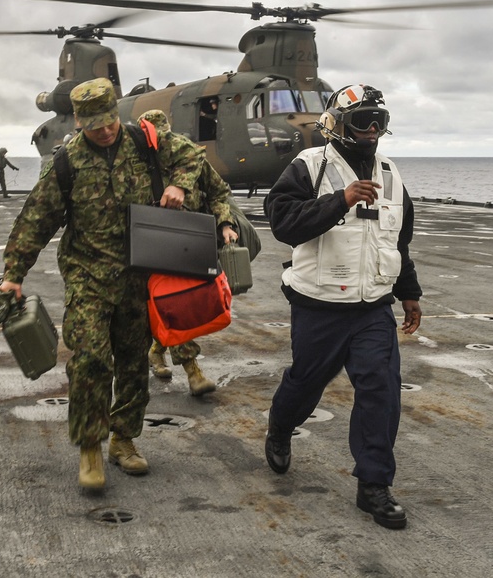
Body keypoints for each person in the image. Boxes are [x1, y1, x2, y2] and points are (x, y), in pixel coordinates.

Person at [0, 78, 201, 491]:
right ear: (78, 121)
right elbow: (36, 219)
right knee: (90, 360)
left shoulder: (144, 142)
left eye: (109, 122)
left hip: (138, 274)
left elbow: (192, 157)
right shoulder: (66, 162)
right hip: (88, 274)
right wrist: (13, 275)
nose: (105, 131)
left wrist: (179, 183)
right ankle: (91, 444)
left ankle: (124, 440)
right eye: (95, 125)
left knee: (131, 361)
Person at [263, 84, 422, 531]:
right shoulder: (309, 167)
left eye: (379, 122)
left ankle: (373, 485)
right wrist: (342, 200)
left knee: (381, 389)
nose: (371, 131)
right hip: (319, 305)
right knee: (306, 382)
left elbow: (398, 240)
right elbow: (283, 224)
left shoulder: (392, 174)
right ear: (336, 124)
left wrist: (409, 292)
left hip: (373, 306)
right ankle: (281, 426)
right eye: (361, 121)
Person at [137, 109, 238, 396]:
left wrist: (225, 224)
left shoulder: (193, 160)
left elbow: (218, 192)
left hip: (188, 242)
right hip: (153, 243)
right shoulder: (137, 165)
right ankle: (193, 372)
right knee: (169, 303)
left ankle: (157, 351)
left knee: (183, 302)